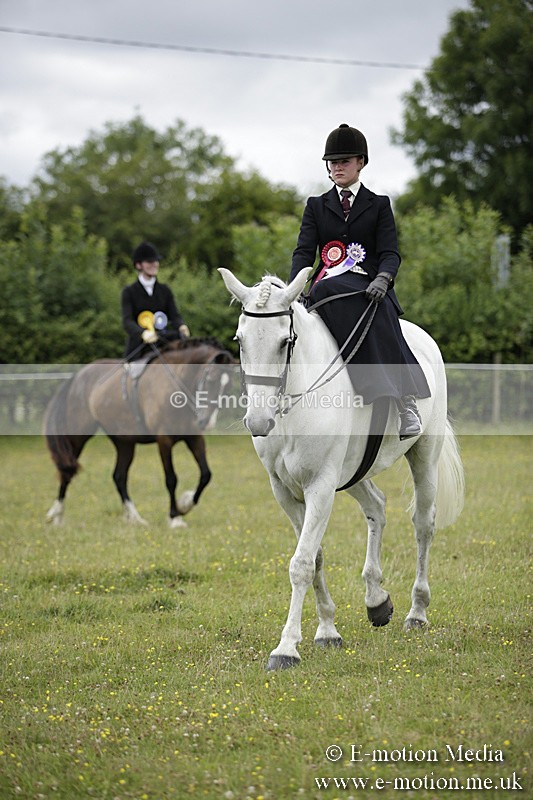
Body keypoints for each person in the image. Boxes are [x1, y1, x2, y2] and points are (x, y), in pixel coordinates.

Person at [290, 123, 430, 439]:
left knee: (382, 314)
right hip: (327, 286)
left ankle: (405, 402)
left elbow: (390, 253)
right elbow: (303, 253)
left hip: (370, 287)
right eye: (333, 162)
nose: (337, 167)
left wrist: (384, 278)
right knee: (306, 311)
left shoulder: (379, 204)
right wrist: (294, 289)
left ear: (360, 163)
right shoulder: (316, 205)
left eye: (345, 161)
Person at [121, 241, 190, 360]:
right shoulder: (129, 291)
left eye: (156, 261)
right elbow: (127, 321)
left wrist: (181, 325)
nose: (154, 264)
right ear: (138, 265)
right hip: (140, 346)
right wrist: (142, 333)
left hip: (164, 342)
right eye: (149, 262)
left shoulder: (165, 290)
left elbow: (174, 316)